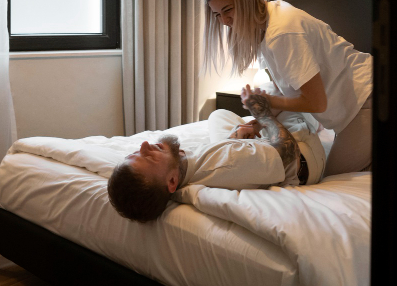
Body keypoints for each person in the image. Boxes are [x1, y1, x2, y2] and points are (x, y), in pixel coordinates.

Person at [201, 0, 373, 177]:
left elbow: (317, 103)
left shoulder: (282, 32)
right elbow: (285, 90)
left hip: (365, 99)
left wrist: (267, 102)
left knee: (332, 180)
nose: (224, 22)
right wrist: (257, 124)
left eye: (227, 10)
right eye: (217, 15)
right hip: (349, 108)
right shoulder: (265, 26)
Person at [107, 90, 325, 223]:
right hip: (304, 157)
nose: (144, 145)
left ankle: (248, 130)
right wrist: (263, 114)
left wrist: (235, 138)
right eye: (149, 158)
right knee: (287, 96)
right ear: (172, 181)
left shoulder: (180, 168)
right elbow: (287, 151)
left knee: (217, 115)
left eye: (135, 153)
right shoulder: (227, 163)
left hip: (253, 154)